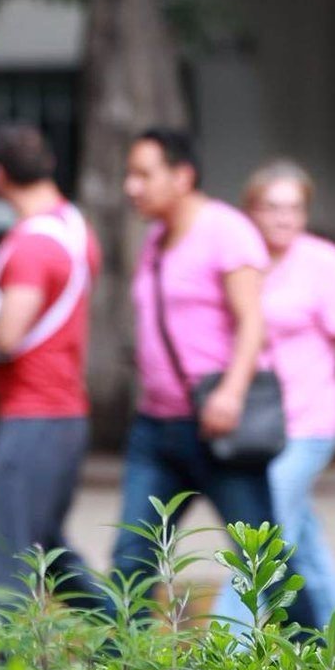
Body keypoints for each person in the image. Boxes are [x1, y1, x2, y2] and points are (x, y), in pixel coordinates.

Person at [111, 127, 317, 627]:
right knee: (130, 563)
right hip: (156, 430)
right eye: (129, 174)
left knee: (264, 563)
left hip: (218, 425)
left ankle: (318, 668)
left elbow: (253, 320)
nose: (130, 186)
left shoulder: (226, 230)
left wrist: (231, 393)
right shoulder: (156, 239)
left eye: (144, 174)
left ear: (182, 176)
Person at [210, 159, 335, 631]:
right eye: (273, 207)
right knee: (305, 545)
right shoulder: (239, 262)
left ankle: (221, 654)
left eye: (295, 208)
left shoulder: (324, 263)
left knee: (257, 540)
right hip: (254, 425)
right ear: (251, 210)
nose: (284, 218)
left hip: (308, 424)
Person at [0, 124, 110, 615]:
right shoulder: (76, 228)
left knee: (3, 558)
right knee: (46, 549)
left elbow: (7, 336)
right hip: (65, 412)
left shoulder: (31, 246)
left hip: (33, 417)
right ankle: (124, 638)